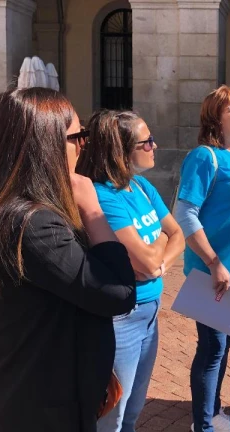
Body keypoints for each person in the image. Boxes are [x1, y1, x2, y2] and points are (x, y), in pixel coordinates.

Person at [0, 88, 136, 432]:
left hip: (12, 394)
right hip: (40, 407)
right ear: (46, 146)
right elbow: (118, 292)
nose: (84, 146)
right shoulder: (32, 225)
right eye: (77, 137)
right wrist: (92, 210)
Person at [76, 110, 185, 432]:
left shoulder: (141, 187)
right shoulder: (103, 196)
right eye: (146, 142)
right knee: (112, 416)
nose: (154, 146)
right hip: (122, 319)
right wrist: (159, 247)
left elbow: (178, 235)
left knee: (133, 412)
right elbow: (150, 259)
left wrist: (156, 262)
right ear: (120, 151)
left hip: (150, 313)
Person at [174, 85, 230, 432]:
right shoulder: (204, 157)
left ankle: (211, 412)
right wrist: (213, 262)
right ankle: (203, 425)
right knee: (212, 349)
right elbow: (185, 214)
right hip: (212, 272)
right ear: (215, 119)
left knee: (225, 346)